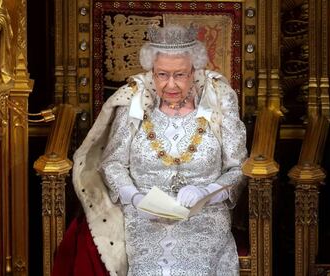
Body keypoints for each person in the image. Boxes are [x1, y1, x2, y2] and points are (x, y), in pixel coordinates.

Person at [59, 24, 247, 276]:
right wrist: (135, 198)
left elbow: (238, 168)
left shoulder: (219, 99)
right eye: (162, 75)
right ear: (152, 72)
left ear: (194, 71)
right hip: (144, 217)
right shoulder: (135, 101)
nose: (170, 84)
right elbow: (112, 163)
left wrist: (208, 192)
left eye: (180, 74)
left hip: (204, 218)